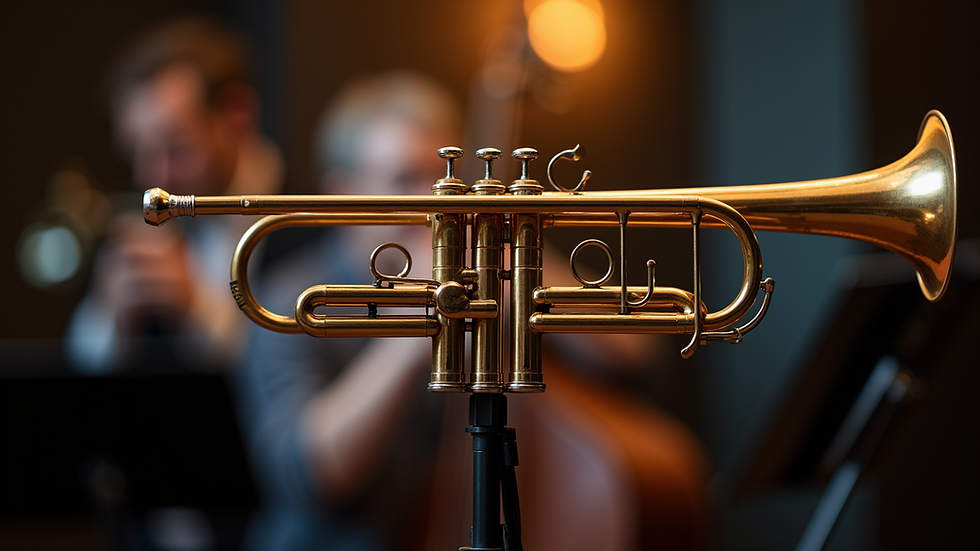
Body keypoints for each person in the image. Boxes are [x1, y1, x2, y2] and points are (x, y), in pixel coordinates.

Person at [238, 70, 711, 551]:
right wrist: (420, 325)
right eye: (405, 179)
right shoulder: (292, 295)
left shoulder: (489, 262)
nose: (433, 201)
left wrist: (518, 265)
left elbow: (637, 355)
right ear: (343, 192)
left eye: (443, 178)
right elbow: (312, 476)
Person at [66, 17, 283, 373]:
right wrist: (110, 314)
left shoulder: (318, 221)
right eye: (137, 151)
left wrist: (197, 310)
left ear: (238, 119)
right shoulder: (144, 221)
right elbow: (81, 356)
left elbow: (301, 373)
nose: (150, 177)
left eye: (175, 147)